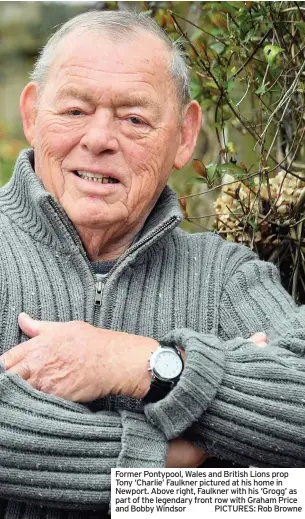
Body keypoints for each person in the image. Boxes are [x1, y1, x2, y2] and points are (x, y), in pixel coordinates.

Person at [0, 8, 304, 519]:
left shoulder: (225, 277)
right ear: (32, 114)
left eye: (134, 119)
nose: (98, 139)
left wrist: (136, 363)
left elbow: (287, 488)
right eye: (74, 111)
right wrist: (166, 461)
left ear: (185, 136)